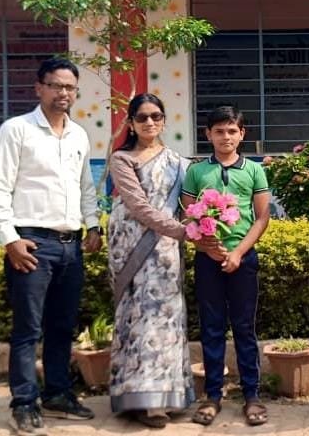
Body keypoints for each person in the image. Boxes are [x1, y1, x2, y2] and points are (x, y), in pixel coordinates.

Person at [0, 57, 102, 436]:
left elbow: (85, 186)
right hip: (32, 245)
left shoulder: (79, 135)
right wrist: (10, 239)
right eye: (56, 85)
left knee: (62, 326)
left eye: (70, 87)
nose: (63, 93)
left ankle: (57, 394)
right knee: (28, 329)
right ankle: (24, 402)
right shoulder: (17, 130)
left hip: (71, 246)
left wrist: (93, 225)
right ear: (39, 88)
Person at [107, 93, 193, 428]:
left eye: (156, 116)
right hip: (131, 247)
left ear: (164, 121)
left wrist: (206, 223)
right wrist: (183, 232)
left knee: (164, 320)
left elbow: (188, 203)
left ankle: (164, 398)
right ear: (130, 123)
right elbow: (138, 206)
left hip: (166, 249)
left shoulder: (178, 162)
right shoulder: (122, 159)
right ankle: (137, 397)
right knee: (136, 318)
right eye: (141, 117)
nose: (149, 122)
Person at [182, 106, 271, 427]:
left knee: (244, 328)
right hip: (207, 260)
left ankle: (252, 395)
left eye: (232, 131)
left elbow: (262, 218)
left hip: (243, 260)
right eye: (219, 131)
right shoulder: (196, 171)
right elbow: (188, 217)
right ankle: (213, 396)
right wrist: (208, 247)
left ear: (242, 134)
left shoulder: (254, 170)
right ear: (208, 134)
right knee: (212, 327)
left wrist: (237, 253)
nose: (226, 137)